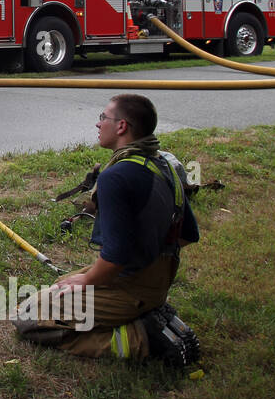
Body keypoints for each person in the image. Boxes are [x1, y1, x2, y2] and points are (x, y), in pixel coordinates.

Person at [14, 94, 200, 365]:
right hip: (158, 279)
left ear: (122, 126)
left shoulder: (116, 177)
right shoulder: (165, 165)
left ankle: (144, 338)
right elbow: (188, 235)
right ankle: (147, 313)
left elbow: (115, 257)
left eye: (103, 118)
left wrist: (92, 280)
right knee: (58, 287)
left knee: (27, 317)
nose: (98, 124)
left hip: (131, 286)